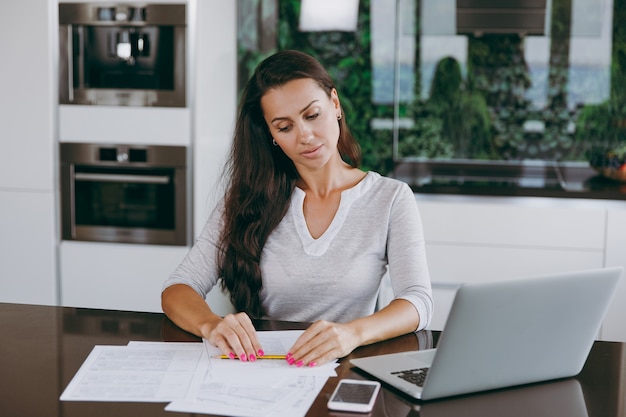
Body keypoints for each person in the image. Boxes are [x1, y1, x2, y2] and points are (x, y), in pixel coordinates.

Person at [161, 50, 433, 368]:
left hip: (346, 373)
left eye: (312, 115)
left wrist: (351, 334)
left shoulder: (390, 198)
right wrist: (211, 325)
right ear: (272, 136)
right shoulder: (247, 198)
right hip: (263, 370)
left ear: (335, 104)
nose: (305, 135)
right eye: (284, 127)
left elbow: (418, 301)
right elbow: (178, 288)